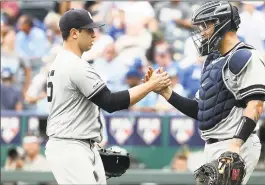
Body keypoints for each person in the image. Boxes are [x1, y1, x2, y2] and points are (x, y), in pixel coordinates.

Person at [144, 2, 265, 184]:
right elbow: (200, 110)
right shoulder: (212, 60)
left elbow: (255, 105)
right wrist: (166, 92)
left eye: (206, 25)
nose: (202, 32)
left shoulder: (246, 57)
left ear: (222, 24)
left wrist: (236, 144)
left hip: (235, 145)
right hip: (214, 145)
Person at [44, 8, 171, 185]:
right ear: (74, 33)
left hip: (76, 143)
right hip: (70, 146)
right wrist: (150, 85)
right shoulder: (74, 65)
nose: (94, 35)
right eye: (89, 30)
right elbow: (110, 102)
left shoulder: (62, 61)